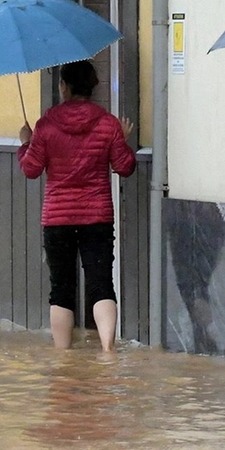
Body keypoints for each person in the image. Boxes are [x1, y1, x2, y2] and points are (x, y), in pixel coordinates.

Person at [18, 60, 136, 353]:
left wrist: (25, 142)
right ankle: (108, 351)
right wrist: (122, 138)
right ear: (92, 87)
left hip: (57, 219)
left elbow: (31, 170)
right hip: (96, 217)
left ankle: (63, 355)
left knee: (61, 289)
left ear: (64, 87)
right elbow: (125, 167)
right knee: (101, 284)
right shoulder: (108, 124)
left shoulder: (45, 126)